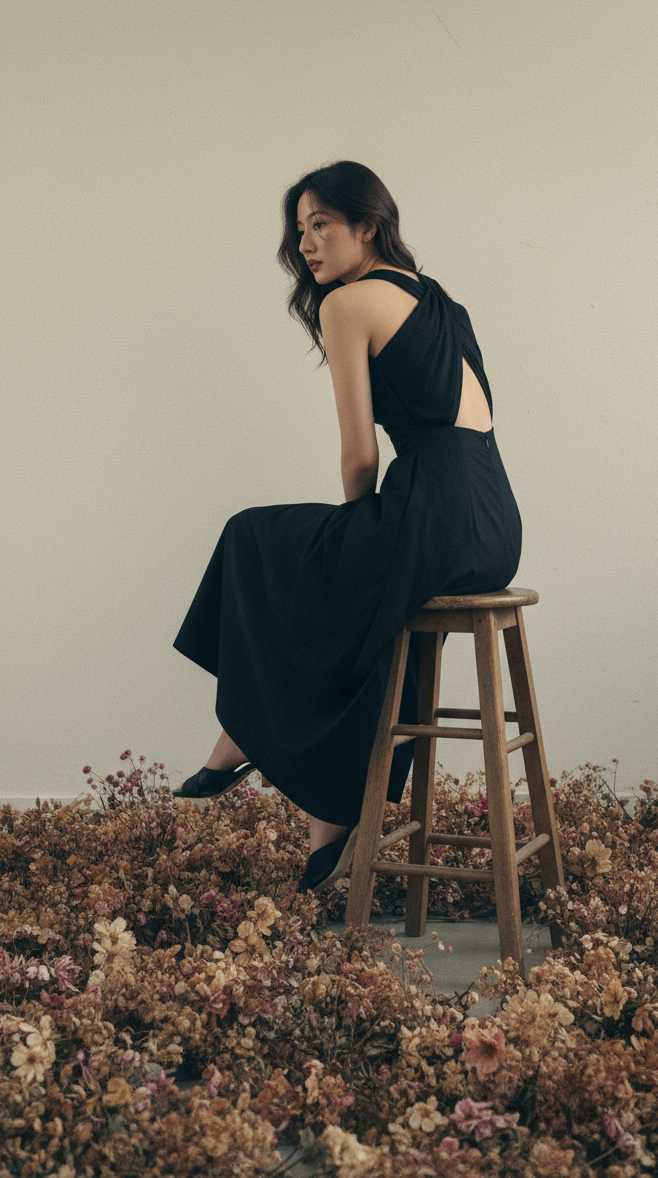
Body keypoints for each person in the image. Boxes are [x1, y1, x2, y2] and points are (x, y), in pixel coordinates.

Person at [172, 161, 522, 894]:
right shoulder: (438, 299)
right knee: (346, 588)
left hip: (431, 510)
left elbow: (360, 454)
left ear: (369, 224)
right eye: (299, 230)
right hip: (493, 519)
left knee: (251, 537)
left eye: (321, 224)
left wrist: (351, 528)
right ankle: (307, 794)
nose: (306, 243)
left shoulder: (348, 303)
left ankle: (253, 742)